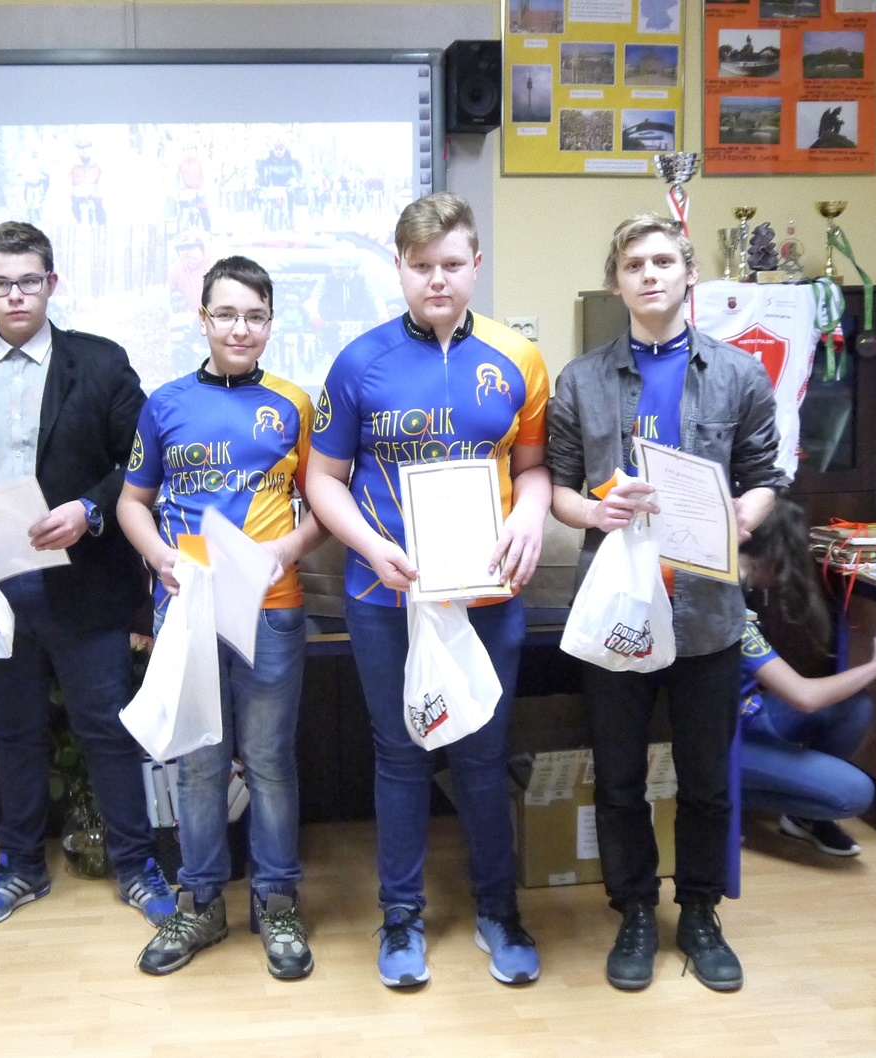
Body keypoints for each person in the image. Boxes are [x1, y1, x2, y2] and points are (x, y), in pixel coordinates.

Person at [303, 193, 552, 990]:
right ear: (399, 269)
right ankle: (401, 916)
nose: (436, 280)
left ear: (475, 264)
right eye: (420, 266)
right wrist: (370, 547)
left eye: (450, 264)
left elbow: (534, 468)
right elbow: (322, 478)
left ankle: (498, 911)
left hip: (486, 592)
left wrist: (533, 515)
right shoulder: (359, 361)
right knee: (402, 753)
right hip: (387, 594)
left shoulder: (519, 356)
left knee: (482, 753)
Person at [547, 214, 789, 994]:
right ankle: (636, 912)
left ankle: (701, 914)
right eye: (633, 264)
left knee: (706, 781)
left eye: (662, 261)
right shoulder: (580, 381)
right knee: (619, 777)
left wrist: (742, 515)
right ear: (614, 282)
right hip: (618, 610)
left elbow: (766, 476)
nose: (649, 275)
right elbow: (555, 488)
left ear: (689, 272)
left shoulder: (738, 375)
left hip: (708, 615)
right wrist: (593, 511)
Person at [0, 220, 174, 931]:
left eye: (29, 281)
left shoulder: (99, 362)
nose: (16, 295)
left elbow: (141, 461)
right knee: (13, 734)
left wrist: (89, 511)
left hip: (82, 581)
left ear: (51, 284)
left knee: (107, 731)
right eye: (1, 283)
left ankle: (137, 867)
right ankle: (22, 866)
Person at [117, 255, 327, 979]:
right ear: (202, 318)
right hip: (188, 608)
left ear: (271, 323)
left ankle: (276, 901)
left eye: (255, 316)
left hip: (271, 608)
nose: (241, 328)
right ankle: (201, 901)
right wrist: (159, 558)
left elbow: (325, 506)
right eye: (227, 314)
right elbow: (132, 502)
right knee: (199, 762)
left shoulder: (294, 404)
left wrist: (283, 551)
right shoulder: (165, 403)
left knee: (268, 761)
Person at [738, 499, 876, 856]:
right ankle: (728, 799)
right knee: (854, 793)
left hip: (750, 715)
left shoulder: (742, 588)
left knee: (853, 704)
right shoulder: (726, 603)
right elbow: (804, 696)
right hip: (720, 741)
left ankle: (800, 816)